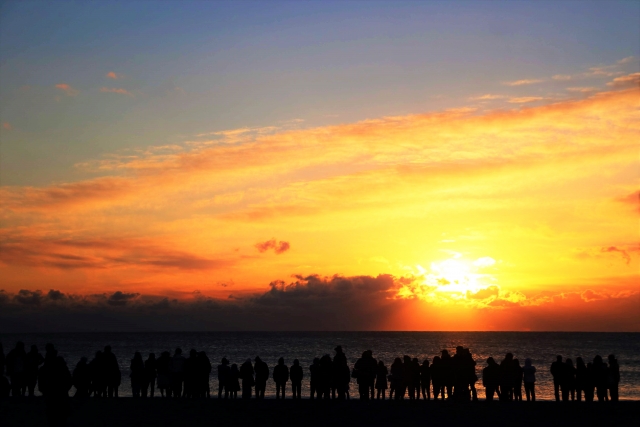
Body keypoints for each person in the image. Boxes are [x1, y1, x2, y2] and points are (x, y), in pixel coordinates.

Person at [38, 349, 72, 427]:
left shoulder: (46, 367)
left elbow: (41, 379)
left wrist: (43, 390)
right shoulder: (62, 367)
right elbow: (69, 380)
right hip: (59, 392)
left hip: (53, 392)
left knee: (52, 411)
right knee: (60, 411)